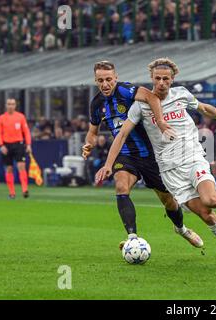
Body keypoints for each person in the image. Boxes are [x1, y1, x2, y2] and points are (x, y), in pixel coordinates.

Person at [96, 58, 216, 264]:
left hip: (192, 158)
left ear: (172, 80)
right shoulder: (140, 106)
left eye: (166, 79)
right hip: (169, 171)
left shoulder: (181, 94)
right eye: (157, 79)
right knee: (205, 215)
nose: (161, 83)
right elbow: (122, 135)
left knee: (212, 201)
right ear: (151, 79)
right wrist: (108, 164)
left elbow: (205, 108)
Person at [82, 60, 203, 250]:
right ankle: (132, 237)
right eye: (100, 81)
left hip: (151, 154)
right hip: (125, 154)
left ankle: (181, 229)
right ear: (95, 81)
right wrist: (89, 144)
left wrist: (161, 122)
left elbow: (153, 98)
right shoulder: (96, 103)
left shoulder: (126, 91)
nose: (105, 84)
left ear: (116, 78)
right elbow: (92, 131)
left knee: (169, 201)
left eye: (108, 79)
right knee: (121, 186)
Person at [0, 98, 32, 199]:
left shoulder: (20, 117)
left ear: (15, 105)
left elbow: (26, 131)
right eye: (9, 104)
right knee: (9, 168)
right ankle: (12, 193)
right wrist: (1, 145)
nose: (11, 106)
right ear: (6, 105)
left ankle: (25, 190)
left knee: (21, 166)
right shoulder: (1, 118)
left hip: (18, 144)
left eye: (12, 104)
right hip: (6, 145)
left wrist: (28, 144)